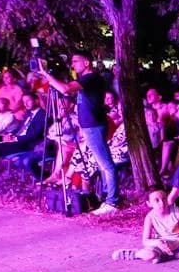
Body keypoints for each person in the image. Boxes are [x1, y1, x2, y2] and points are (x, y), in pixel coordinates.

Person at [40, 52, 120, 214]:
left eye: (76, 61)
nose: (73, 65)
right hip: (90, 127)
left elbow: (66, 88)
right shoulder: (87, 80)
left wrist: (46, 75)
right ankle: (107, 198)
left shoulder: (91, 78)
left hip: (94, 126)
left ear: (86, 63)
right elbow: (68, 93)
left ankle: (112, 202)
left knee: (106, 164)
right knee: (102, 164)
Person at [112, 185, 179, 262]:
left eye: (164, 199)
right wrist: (158, 242)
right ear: (149, 203)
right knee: (149, 255)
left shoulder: (178, 212)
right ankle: (133, 254)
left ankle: (171, 256)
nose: (162, 203)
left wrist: (175, 245)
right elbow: (145, 241)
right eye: (156, 200)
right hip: (162, 245)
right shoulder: (150, 218)